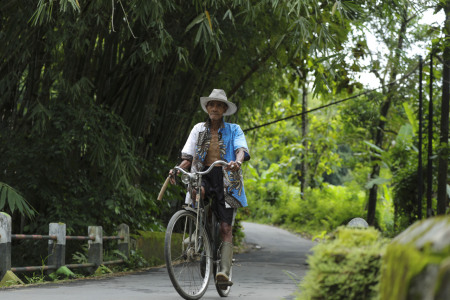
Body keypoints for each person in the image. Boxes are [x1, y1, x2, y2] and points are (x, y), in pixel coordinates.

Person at [169, 88, 250, 286]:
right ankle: (198, 234)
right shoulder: (198, 129)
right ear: (207, 108)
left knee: (225, 226)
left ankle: (223, 271)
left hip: (226, 177)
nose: (214, 108)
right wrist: (177, 170)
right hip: (203, 174)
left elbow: (241, 149)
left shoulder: (234, 129)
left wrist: (237, 162)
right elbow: (187, 157)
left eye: (218, 105)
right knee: (197, 192)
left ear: (224, 109)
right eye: (211, 105)